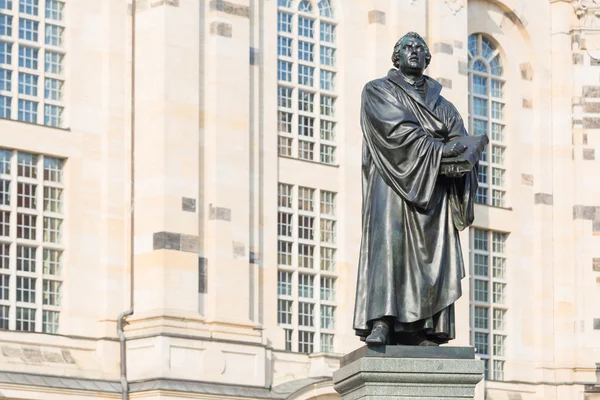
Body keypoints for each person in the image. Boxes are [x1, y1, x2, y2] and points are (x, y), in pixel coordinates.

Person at [352, 32, 479, 346]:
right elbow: (393, 131)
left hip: (433, 195)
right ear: (396, 57)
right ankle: (382, 320)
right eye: (407, 47)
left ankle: (426, 327)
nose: (414, 51)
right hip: (392, 185)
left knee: (432, 255)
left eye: (420, 48)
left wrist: (463, 156)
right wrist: (439, 150)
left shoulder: (444, 105)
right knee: (388, 248)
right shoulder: (377, 90)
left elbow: (461, 143)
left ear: (427, 59)